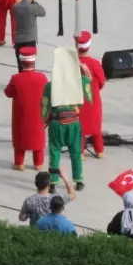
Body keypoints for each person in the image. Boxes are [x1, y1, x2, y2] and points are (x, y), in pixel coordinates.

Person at [44, 45, 92, 192]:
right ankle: (78, 181)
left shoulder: (50, 86)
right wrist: (83, 67)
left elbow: (45, 107)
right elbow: (89, 83)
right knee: (76, 152)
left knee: (55, 151)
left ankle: (52, 183)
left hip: (57, 124)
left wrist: (46, 119)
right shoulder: (80, 82)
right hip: (73, 123)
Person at [6, 46, 47, 170]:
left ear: (21, 62)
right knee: (38, 137)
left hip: (21, 116)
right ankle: (38, 163)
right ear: (34, 62)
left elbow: (8, 93)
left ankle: (19, 163)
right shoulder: (42, 78)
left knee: (20, 137)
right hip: (38, 115)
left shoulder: (16, 79)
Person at [75, 31, 107, 156]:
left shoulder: (73, 64)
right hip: (93, 100)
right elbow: (101, 82)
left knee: (79, 128)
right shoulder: (95, 64)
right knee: (96, 128)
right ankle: (99, 151)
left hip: (78, 100)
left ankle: (80, 151)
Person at [11, 0, 46, 67]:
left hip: (18, 39)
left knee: (20, 65)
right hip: (30, 39)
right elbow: (43, 12)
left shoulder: (15, 7)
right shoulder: (32, 7)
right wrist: (35, 2)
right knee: (29, 65)